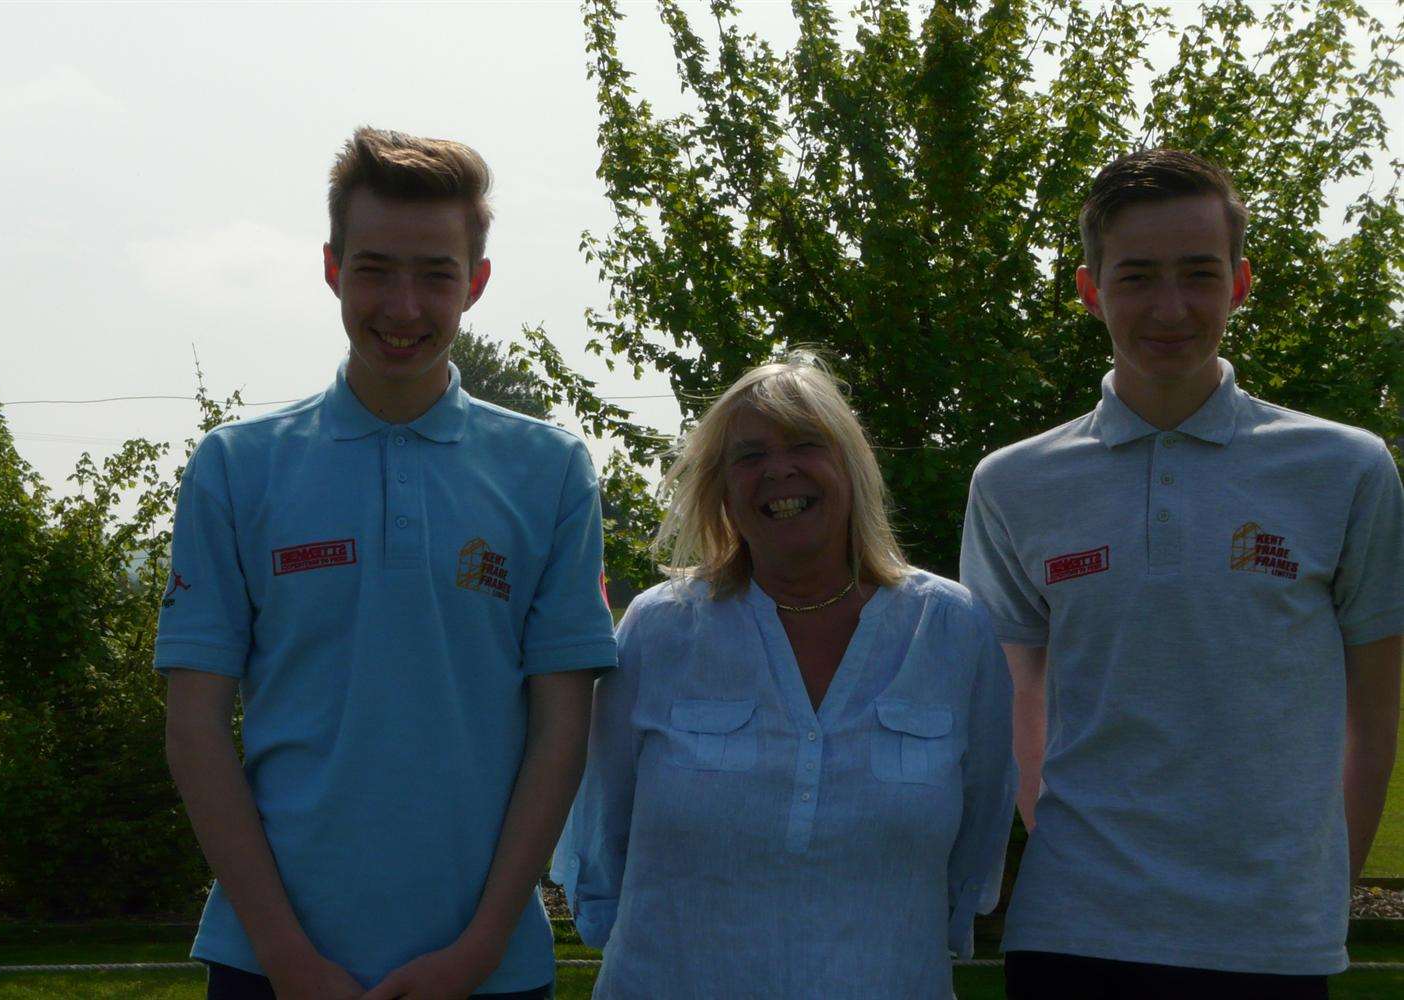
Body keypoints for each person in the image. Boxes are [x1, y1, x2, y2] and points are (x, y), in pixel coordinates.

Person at [156, 128, 616, 1000]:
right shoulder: (236, 466)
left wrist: (478, 951)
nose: (403, 305)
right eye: (374, 269)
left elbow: (563, 733)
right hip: (270, 967)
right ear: (331, 268)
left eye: (435, 273)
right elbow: (194, 731)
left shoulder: (550, 470)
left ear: (475, 282)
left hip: (487, 968)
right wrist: (289, 959)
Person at [961, 148, 1404, 999]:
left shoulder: (1346, 469)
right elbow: (1017, 699)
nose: (1170, 308)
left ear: (1239, 284)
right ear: (1091, 290)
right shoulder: (1013, 482)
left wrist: (1317, 893)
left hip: (1269, 940)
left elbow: (1373, 718)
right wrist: (1069, 852)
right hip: (1074, 930)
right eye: (1136, 278)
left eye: (1199, 275)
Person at [553, 355, 1016, 998]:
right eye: (747, 456)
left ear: (852, 469)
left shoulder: (950, 630)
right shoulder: (658, 631)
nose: (778, 470)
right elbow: (600, 834)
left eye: (805, 445)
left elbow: (980, 834)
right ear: (718, 487)